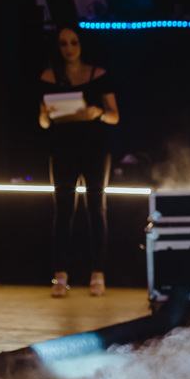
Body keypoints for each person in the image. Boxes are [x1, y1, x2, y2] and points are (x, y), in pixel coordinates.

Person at [38, 26, 119, 297]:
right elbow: (43, 121)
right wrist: (48, 114)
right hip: (62, 148)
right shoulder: (49, 77)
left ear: (82, 45)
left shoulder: (99, 75)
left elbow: (114, 116)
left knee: (96, 207)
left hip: (94, 147)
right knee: (63, 210)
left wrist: (96, 112)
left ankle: (98, 273)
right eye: (63, 44)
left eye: (73, 43)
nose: (69, 49)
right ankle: (60, 275)